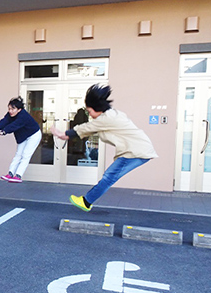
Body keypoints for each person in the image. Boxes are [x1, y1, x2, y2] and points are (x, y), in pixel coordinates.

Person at [51, 84, 158, 212]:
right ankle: (87, 201)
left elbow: (87, 127)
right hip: (139, 149)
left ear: (97, 108)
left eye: (89, 111)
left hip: (134, 151)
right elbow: (93, 128)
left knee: (109, 177)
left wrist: (65, 134)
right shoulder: (112, 115)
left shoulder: (106, 119)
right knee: (110, 176)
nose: (89, 115)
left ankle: (86, 202)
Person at [0, 96, 41, 183]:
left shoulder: (23, 116)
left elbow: (14, 125)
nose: (10, 111)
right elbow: (5, 120)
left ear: (19, 109)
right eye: (9, 109)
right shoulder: (10, 114)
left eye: (13, 109)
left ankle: (18, 176)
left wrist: (4, 132)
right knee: (18, 154)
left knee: (26, 155)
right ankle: (10, 174)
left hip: (33, 135)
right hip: (23, 136)